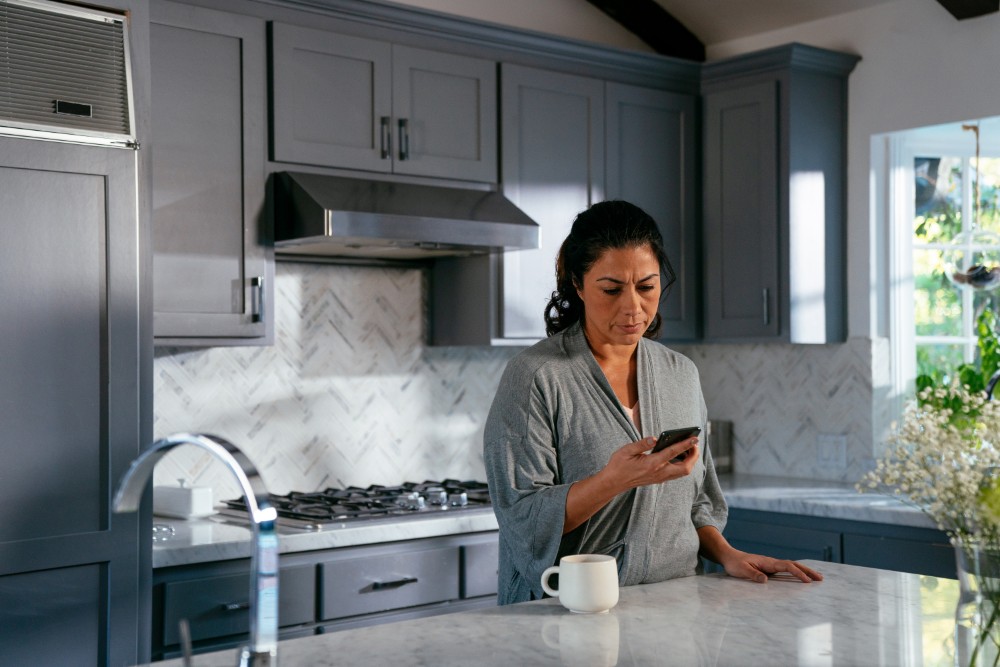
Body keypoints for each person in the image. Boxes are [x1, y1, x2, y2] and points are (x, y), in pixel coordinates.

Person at [483, 200, 822, 605]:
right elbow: (522, 518)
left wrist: (729, 555)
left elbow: (698, 501)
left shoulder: (680, 374)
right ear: (578, 284)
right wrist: (616, 479)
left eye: (647, 286)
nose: (633, 307)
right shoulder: (537, 376)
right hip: (568, 610)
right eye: (611, 289)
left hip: (672, 604)